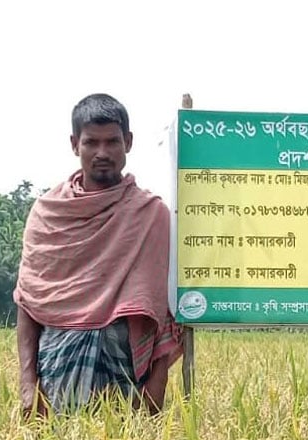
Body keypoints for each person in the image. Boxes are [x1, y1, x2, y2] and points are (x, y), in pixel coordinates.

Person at [13, 93, 182, 419]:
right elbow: (29, 302)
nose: (102, 152)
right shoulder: (48, 214)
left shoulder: (151, 214)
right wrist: (27, 385)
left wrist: (156, 387)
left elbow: (164, 310)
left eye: (112, 142)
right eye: (91, 142)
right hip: (56, 378)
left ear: (128, 142)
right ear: (75, 144)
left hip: (125, 379)